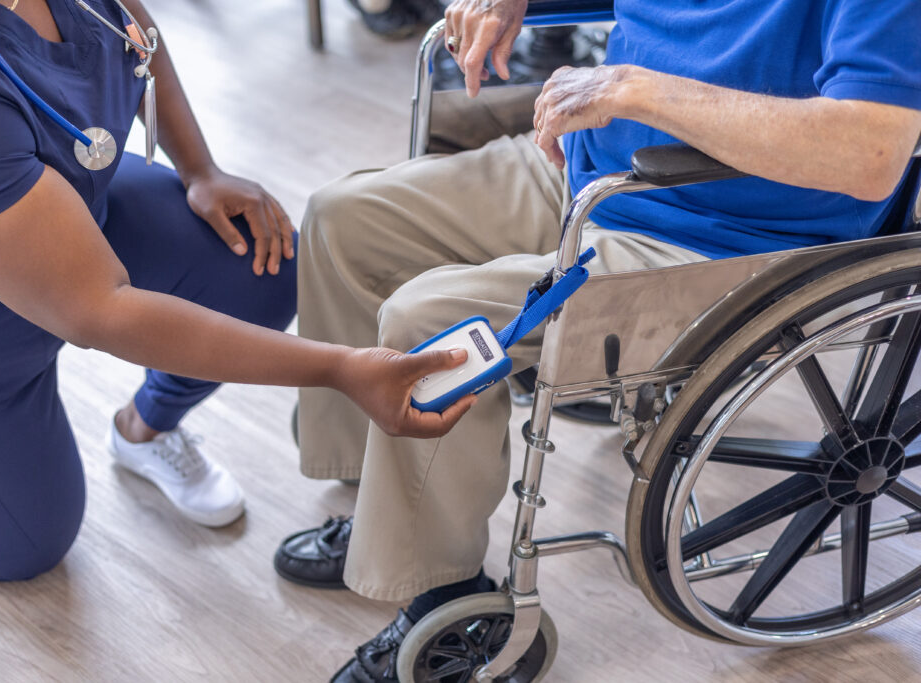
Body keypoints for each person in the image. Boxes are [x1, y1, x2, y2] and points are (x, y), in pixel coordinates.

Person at [272, 0, 921, 680]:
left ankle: (447, 591)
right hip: (593, 172)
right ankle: (377, 492)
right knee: (342, 220)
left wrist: (631, 88)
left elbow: (869, 152)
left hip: (719, 241)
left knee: (430, 322)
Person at [0, 0, 473, 582]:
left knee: (259, 263)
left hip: (62, 204)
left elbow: (136, 34)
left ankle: (143, 432)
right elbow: (99, 308)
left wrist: (201, 169)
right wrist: (342, 369)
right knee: (24, 547)